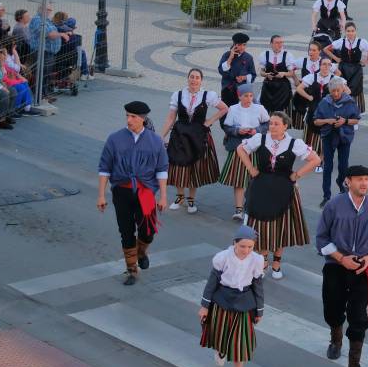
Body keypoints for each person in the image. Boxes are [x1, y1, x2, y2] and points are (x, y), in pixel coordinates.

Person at [316, 166, 368, 367]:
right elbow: (321, 239)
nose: (364, 184)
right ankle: (335, 339)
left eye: (366, 179)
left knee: (358, 318)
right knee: (333, 309)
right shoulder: (334, 205)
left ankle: (354, 365)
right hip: (336, 266)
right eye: (359, 180)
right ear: (348, 182)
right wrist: (341, 258)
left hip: (361, 269)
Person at [237, 111, 320, 279]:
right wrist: (251, 169)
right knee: (260, 226)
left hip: (284, 189)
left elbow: (315, 159)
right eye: (271, 123)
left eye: (276, 124)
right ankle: (263, 260)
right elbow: (240, 149)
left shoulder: (294, 143)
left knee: (281, 227)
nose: (272, 126)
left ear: (285, 126)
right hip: (261, 187)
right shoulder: (260, 138)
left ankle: (276, 262)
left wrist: (296, 175)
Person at [97, 101, 169, 285]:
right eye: (127, 116)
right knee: (126, 230)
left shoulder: (155, 141)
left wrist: (163, 196)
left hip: (145, 192)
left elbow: (162, 170)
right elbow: (105, 167)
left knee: (148, 230)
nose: (128, 120)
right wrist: (101, 195)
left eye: (133, 117)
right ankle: (131, 270)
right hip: (122, 191)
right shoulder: (114, 139)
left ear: (142, 119)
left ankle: (142, 251)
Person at [198, 224, 265, 367]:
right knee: (220, 334)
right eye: (242, 246)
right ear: (234, 243)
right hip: (223, 301)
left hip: (244, 304)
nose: (246, 250)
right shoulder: (223, 258)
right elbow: (212, 282)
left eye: (250, 247)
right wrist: (204, 306)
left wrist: (259, 310)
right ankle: (220, 349)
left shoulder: (256, 260)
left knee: (241, 344)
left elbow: (258, 286)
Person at [160, 69, 226, 214]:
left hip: (198, 135)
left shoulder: (208, 95)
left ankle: (191, 199)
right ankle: (180, 196)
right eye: (191, 77)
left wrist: (209, 121)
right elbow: (171, 118)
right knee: (178, 165)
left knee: (194, 166)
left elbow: (224, 109)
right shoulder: (178, 95)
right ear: (187, 78)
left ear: (201, 80)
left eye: (197, 78)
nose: (194, 80)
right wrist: (161, 136)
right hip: (180, 134)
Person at [219, 84, 269, 220]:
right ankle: (239, 209)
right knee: (239, 179)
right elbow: (227, 127)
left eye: (251, 96)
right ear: (239, 96)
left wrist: (256, 130)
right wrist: (237, 131)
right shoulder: (233, 109)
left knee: (255, 178)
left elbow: (268, 123)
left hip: (255, 146)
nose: (249, 98)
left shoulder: (259, 108)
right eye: (245, 96)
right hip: (238, 146)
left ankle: (252, 206)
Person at [314, 77, 361, 203]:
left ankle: (342, 185)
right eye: (333, 91)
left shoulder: (350, 102)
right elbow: (316, 121)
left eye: (338, 91)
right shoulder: (324, 102)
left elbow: (356, 119)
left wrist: (344, 121)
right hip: (328, 136)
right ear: (329, 91)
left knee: (343, 166)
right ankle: (326, 196)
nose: (335, 94)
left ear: (343, 90)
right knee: (327, 166)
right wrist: (327, 121)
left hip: (344, 136)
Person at [297, 56, 341, 156]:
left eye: (329, 64)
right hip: (314, 107)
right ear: (320, 66)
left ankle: (323, 156)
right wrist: (309, 97)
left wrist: (336, 99)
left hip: (329, 109)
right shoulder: (312, 77)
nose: (326, 66)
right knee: (312, 130)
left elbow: (347, 91)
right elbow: (299, 88)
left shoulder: (335, 79)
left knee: (326, 131)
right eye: (324, 64)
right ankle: (311, 155)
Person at [325, 22, 368, 112]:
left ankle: (354, 113)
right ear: (345, 31)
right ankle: (341, 110)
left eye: (352, 31)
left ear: (356, 31)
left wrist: (366, 62)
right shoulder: (341, 41)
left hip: (356, 70)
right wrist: (336, 58)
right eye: (348, 31)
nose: (350, 33)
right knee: (342, 89)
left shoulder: (362, 42)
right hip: (343, 69)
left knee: (355, 90)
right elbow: (326, 49)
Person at [258, 35, 297, 115]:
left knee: (282, 109)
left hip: (282, 87)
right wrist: (266, 74)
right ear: (271, 44)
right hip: (268, 87)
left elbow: (291, 73)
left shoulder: (288, 55)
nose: (280, 45)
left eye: (281, 42)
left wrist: (283, 73)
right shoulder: (265, 54)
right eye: (277, 43)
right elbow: (261, 72)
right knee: (266, 108)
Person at [218, 32, 256, 107]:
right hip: (228, 89)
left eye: (244, 45)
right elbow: (221, 70)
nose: (242, 47)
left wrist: (244, 77)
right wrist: (230, 57)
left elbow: (253, 74)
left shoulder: (248, 57)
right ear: (234, 45)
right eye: (239, 45)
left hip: (242, 91)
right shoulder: (227, 55)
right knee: (226, 111)